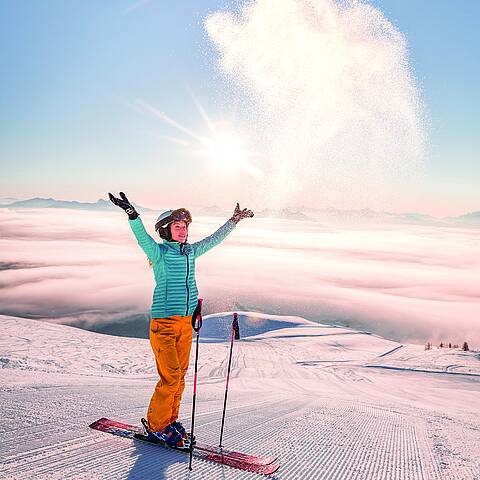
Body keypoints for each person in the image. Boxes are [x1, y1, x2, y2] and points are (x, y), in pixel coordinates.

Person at [108, 192, 253, 447]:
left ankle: (170, 420)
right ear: (166, 230)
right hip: (164, 324)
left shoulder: (191, 252)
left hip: (186, 324)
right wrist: (133, 215)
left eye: (185, 226)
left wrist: (234, 221)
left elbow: (213, 240)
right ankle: (156, 426)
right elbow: (143, 239)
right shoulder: (160, 253)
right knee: (170, 377)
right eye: (177, 226)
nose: (183, 230)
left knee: (181, 376)